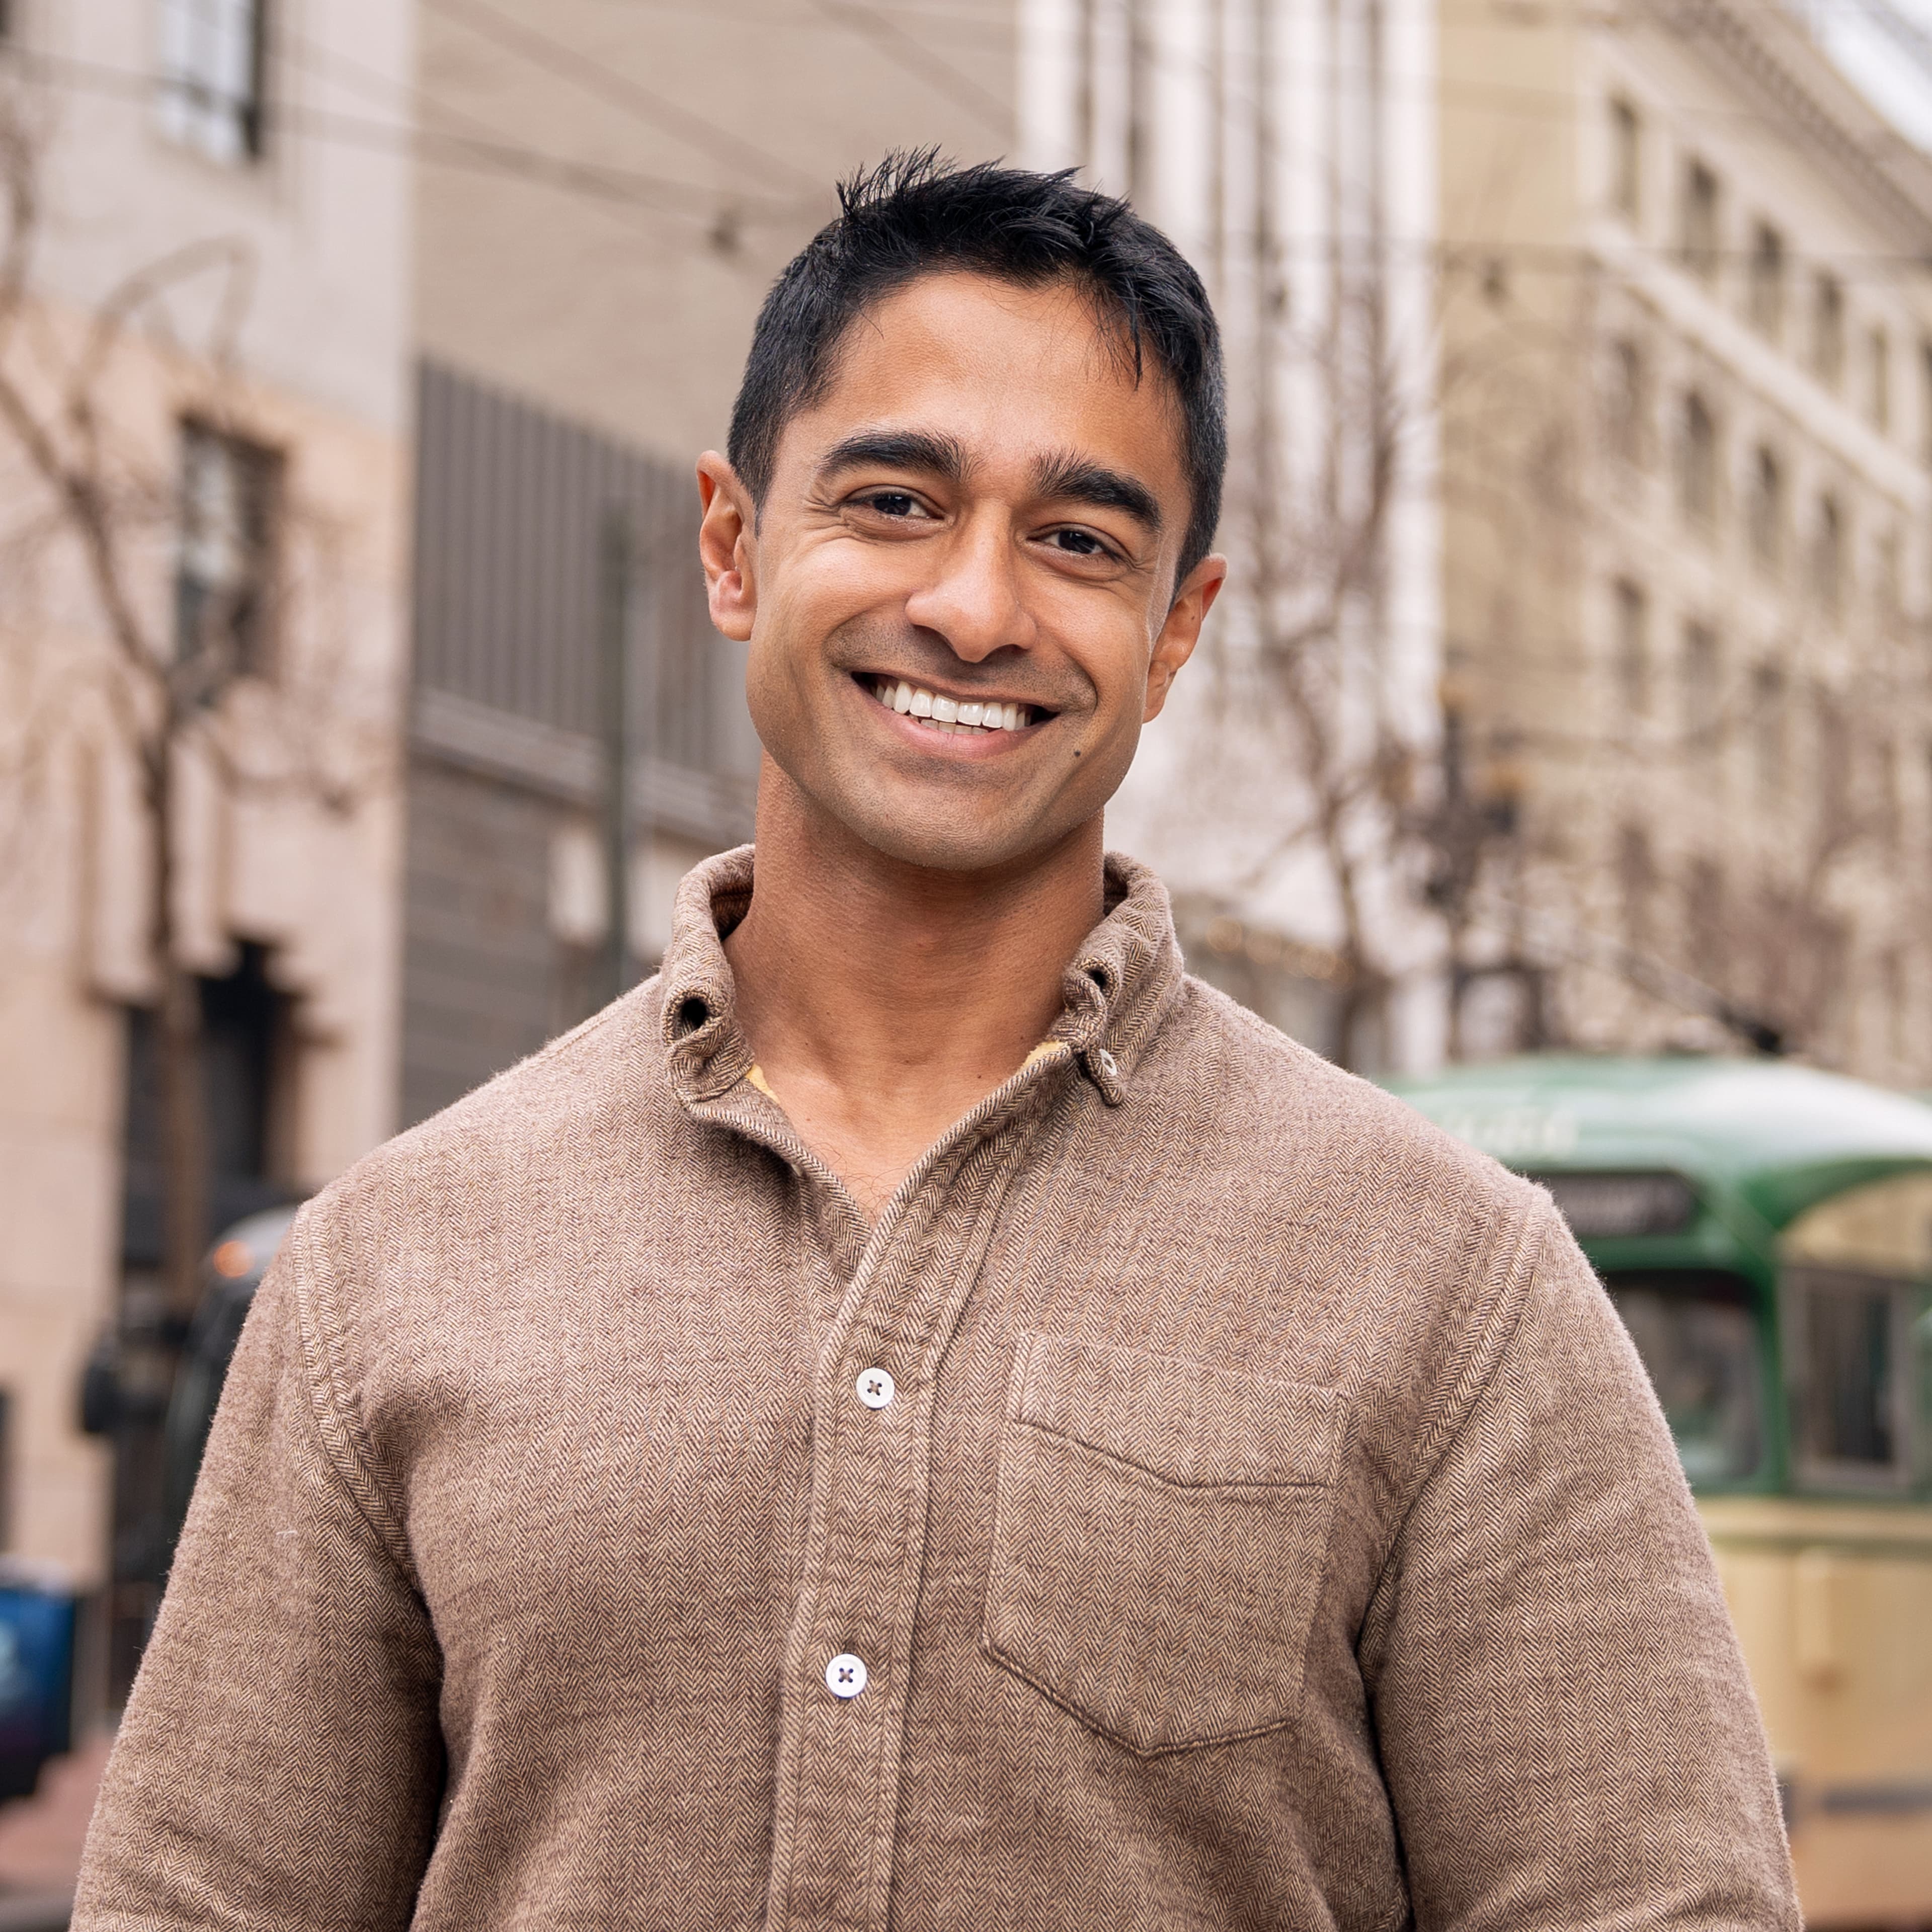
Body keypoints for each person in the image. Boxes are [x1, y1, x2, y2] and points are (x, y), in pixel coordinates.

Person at [74, 155, 1797, 1930]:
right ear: (738, 548)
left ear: (1174, 632)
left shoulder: (1453, 1285)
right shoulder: (394, 1263)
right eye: (895, 500)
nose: (977, 608)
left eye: (1078, 540)